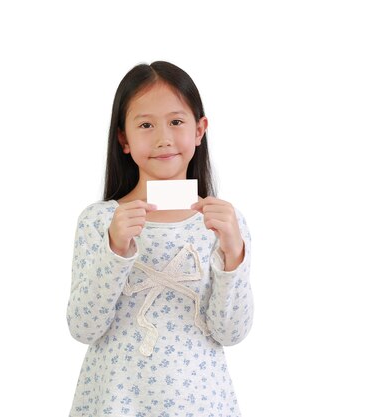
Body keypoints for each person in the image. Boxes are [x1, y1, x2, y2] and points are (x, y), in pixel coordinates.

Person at [66, 61, 253, 417]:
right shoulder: (100, 221)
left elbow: (231, 332)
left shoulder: (224, 224)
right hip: (116, 402)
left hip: (201, 403)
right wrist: (115, 250)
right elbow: (83, 327)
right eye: (146, 125)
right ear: (124, 138)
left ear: (200, 130)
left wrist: (233, 254)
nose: (164, 138)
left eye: (176, 122)